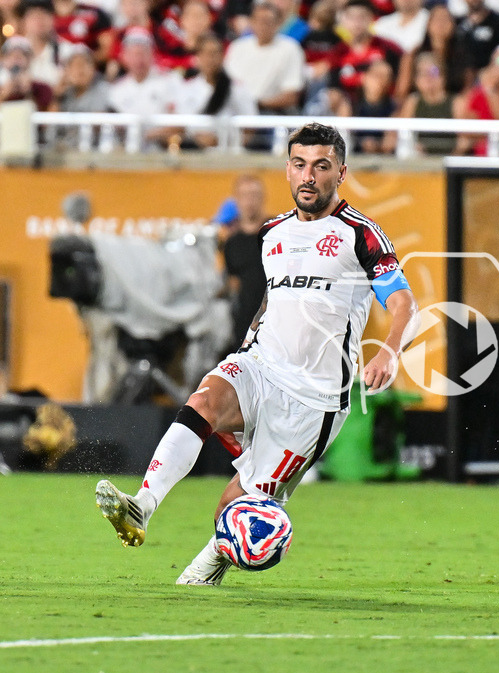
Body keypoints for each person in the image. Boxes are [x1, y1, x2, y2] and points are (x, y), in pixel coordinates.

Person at [95, 122, 419, 586]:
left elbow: (405, 303)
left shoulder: (360, 234)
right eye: (300, 164)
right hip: (261, 365)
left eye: (321, 166)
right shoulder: (272, 234)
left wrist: (389, 352)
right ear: (287, 169)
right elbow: (273, 300)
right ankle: (141, 508)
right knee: (204, 400)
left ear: (341, 173)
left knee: (234, 509)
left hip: (315, 400)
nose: (309, 176)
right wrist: (247, 346)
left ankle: (200, 576)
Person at [223, 2, 305, 114]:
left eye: (267, 21)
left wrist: (256, 104)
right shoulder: (237, 47)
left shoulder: (291, 49)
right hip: (236, 111)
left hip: (272, 113)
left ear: (278, 23)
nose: (262, 26)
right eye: (258, 20)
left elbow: (291, 97)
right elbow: (226, 83)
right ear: (251, 22)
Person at [221, 174, 270, 349]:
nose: (249, 201)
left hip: (275, 323)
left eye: (254, 195)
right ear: (236, 199)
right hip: (244, 327)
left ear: (263, 198)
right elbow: (233, 285)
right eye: (244, 195)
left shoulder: (276, 232)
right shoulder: (231, 243)